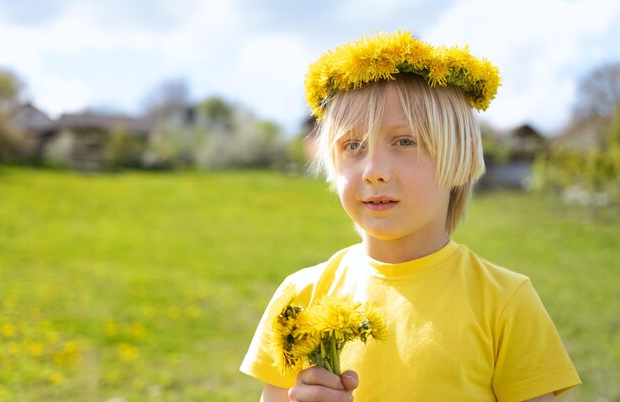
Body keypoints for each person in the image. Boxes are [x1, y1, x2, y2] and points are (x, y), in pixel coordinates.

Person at [240, 31, 581, 402]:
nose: (374, 170)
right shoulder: (300, 296)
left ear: (462, 157)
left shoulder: (505, 302)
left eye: (404, 141)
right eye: (352, 145)